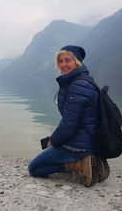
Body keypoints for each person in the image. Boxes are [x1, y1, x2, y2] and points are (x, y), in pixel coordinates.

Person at [28, 45, 109, 187]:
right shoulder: (82, 81)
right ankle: (91, 161)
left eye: (68, 60)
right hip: (88, 140)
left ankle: (76, 164)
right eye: (60, 61)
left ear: (77, 62)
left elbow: (69, 125)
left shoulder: (77, 86)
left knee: (34, 168)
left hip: (78, 145)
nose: (63, 65)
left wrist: (53, 140)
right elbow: (72, 119)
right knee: (49, 148)